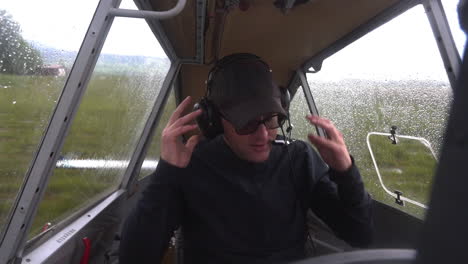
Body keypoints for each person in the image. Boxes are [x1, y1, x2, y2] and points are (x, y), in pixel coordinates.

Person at [119, 53, 373, 264]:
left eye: (272, 120)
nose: (263, 135)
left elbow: (360, 235)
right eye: (247, 123)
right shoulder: (191, 164)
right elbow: (134, 257)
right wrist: (167, 173)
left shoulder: (298, 158)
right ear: (215, 122)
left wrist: (345, 171)